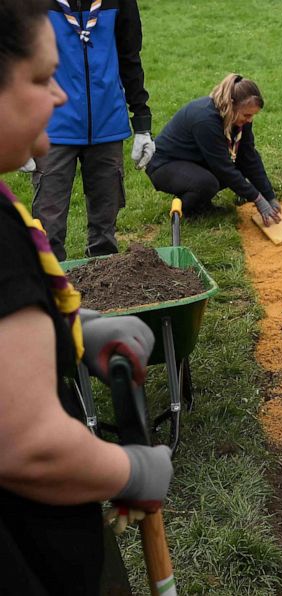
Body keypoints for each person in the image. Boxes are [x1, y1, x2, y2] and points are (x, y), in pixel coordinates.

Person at [0, 1, 173, 592]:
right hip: (24, 553)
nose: (59, 96)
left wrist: (73, 330)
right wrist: (130, 469)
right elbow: (27, 447)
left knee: (105, 225)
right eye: (43, 79)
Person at [27, 0, 155, 262]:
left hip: (107, 124)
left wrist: (142, 123)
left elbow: (130, 57)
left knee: (105, 233)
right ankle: (52, 296)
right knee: (48, 230)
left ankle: (105, 295)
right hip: (52, 127)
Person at [145, 73, 282, 225]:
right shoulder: (205, 120)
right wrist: (257, 199)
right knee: (207, 183)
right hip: (164, 165)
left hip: (194, 159)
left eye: (253, 116)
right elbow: (223, 168)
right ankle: (189, 208)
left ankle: (200, 200)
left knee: (240, 162)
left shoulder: (238, 118)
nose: (249, 120)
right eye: (247, 115)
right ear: (231, 104)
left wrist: (269, 196)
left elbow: (249, 157)